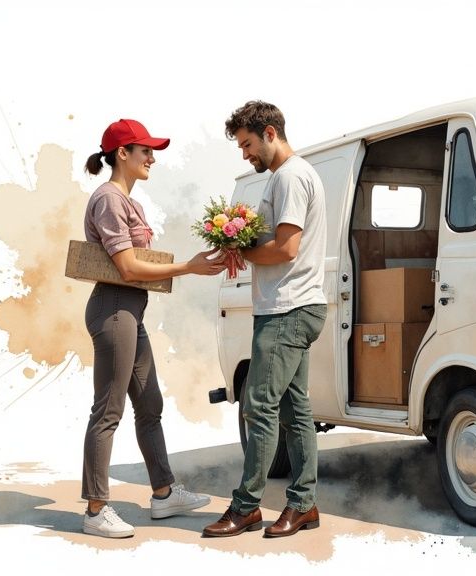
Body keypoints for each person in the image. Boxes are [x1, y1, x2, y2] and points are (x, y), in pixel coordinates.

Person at [80, 118, 224, 538]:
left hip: (130, 311)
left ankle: (163, 493)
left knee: (150, 404)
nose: (152, 158)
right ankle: (95, 509)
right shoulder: (109, 199)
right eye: (145, 150)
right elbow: (127, 267)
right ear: (122, 153)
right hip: (114, 309)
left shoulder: (129, 202)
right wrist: (189, 267)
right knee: (108, 411)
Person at [203, 101, 328, 539]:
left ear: (270, 133)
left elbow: (287, 248)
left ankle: (245, 507)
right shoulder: (295, 174)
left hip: (286, 309)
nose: (244, 154)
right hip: (299, 304)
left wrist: (242, 251)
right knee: (295, 410)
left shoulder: (289, 177)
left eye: (247, 144)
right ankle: (304, 505)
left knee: (257, 406)